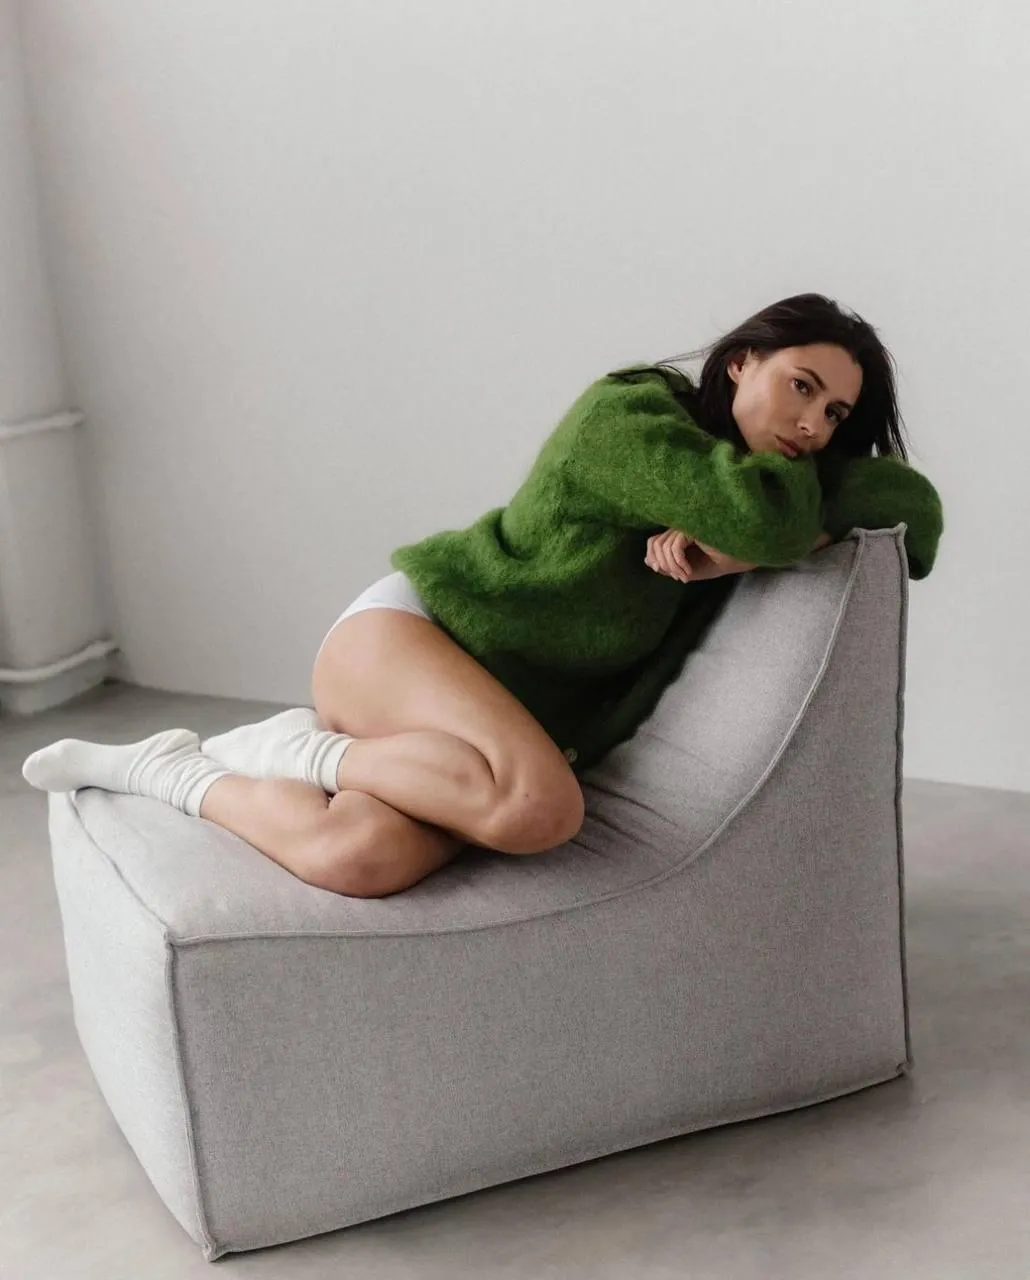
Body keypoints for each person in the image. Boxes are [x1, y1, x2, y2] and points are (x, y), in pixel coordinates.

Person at [22, 292, 944, 899]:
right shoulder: (627, 416)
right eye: (801, 386)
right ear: (742, 361)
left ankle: (164, 771)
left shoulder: (748, 498)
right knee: (541, 811)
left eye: (834, 417)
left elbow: (909, 504)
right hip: (410, 641)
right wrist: (756, 544)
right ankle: (289, 746)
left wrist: (738, 553)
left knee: (360, 858)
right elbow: (775, 526)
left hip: (474, 725)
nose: (812, 425)